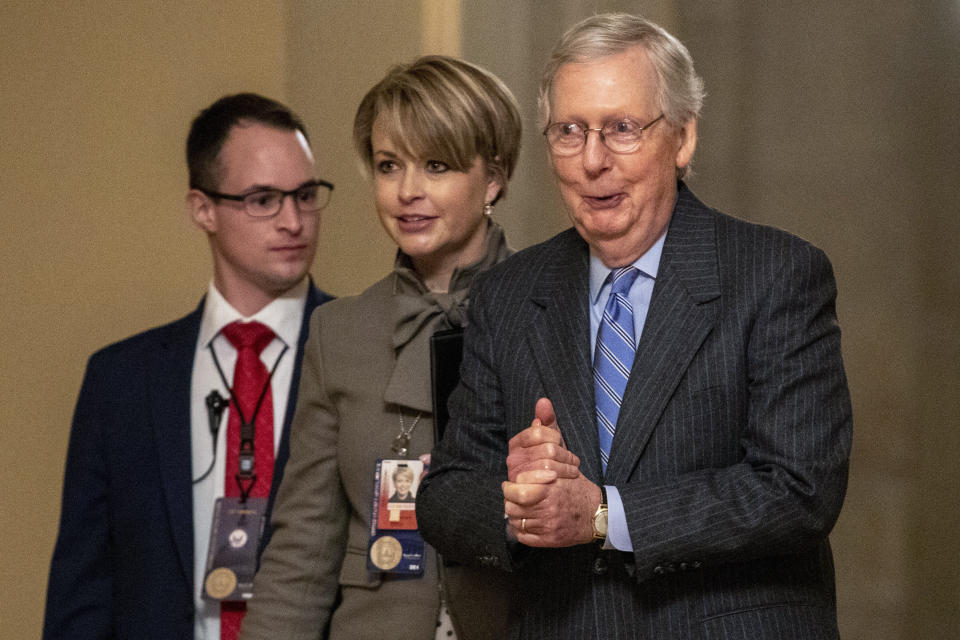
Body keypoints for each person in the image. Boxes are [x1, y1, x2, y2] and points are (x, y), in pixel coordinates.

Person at [417, 13, 853, 640]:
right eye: (569, 131)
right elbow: (447, 495)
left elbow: (799, 488)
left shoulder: (777, 275)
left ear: (682, 139)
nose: (593, 160)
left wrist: (601, 514)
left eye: (622, 128)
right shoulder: (508, 296)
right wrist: (522, 504)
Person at [240, 56, 522, 640]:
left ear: (492, 178)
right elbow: (302, 551)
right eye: (389, 165)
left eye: (436, 165)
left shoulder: (557, 313)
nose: (407, 192)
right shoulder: (338, 331)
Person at [43, 93, 335, 640]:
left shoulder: (358, 354)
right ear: (203, 208)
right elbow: (83, 589)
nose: (293, 220)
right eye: (263, 199)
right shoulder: (121, 382)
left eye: (305, 195)